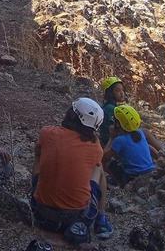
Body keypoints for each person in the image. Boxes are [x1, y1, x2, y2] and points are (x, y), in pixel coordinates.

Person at [31, 98, 114, 244]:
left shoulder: (46, 133)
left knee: (39, 154)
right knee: (98, 168)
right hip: (77, 219)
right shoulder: (95, 147)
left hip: (41, 215)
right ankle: (100, 218)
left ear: (71, 114)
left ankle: (37, 190)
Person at [103, 104, 162, 185]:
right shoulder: (141, 133)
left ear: (118, 124)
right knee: (148, 147)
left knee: (109, 163)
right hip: (150, 170)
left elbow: (104, 156)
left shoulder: (119, 140)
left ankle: (117, 183)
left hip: (132, 177)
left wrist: (111, 138)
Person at [97, 76, 127, 146]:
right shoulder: (111, 108)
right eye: (117, 90)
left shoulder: (108, 106)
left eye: (122, 90)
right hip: (110, 141)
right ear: (110, 93)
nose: (122, 93)